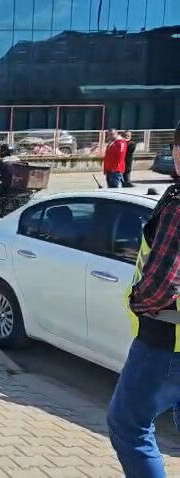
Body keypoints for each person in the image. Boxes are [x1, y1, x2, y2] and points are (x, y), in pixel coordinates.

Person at [107, 122, 180, 478]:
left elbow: (162, 283)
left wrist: (138, 301)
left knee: (127, 426)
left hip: (165, 342)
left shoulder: (178, 206)